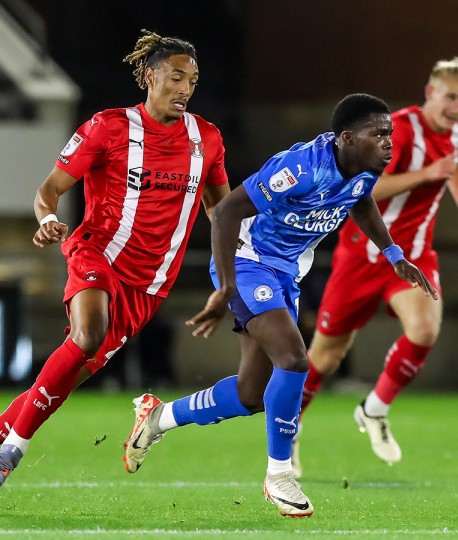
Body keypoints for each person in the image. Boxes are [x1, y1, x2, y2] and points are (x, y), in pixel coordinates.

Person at [0, 29, 230, 493]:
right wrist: (47, 218)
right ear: (149, 76)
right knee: (86, 336)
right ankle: (15, 448)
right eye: (175, 77)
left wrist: (241, 262)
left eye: (192, 80)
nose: (185, 88)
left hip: (149, 285)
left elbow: (221, 211)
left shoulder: (206, 139)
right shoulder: (107, 127)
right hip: (98, 254)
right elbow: (48, 191)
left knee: (64, 378)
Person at [122, 94, 437, 517]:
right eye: (379, 134)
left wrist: (395, 255)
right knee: (293, 358)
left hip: (285, 274)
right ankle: (279, 475)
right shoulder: (301, 169)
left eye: (390, 134)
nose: (388, 143)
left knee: (251, 395)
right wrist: (224, 284)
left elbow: (360, 200)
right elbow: (228, 208)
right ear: (346, 138)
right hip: (248, 263)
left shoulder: (362, 169)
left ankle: (159, 418)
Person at [293, 58, 458, 471]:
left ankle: (375, 409)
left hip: (413, 252)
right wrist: (426, 173)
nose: (457, 107)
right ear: (430, 92)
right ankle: (290, 427)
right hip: (362, 255)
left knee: (425, 327)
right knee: (325, 356)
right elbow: (366, 190)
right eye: (450, 96)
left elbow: (457, 161)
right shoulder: (393, 132)